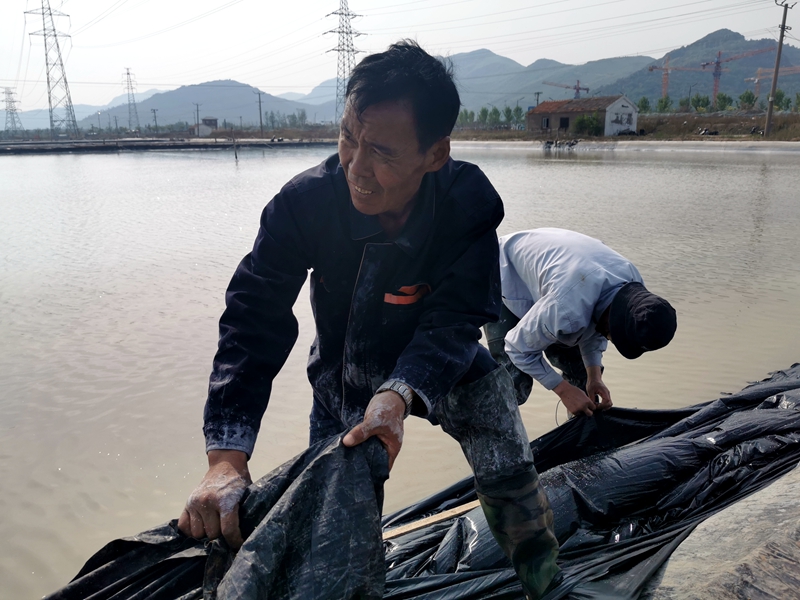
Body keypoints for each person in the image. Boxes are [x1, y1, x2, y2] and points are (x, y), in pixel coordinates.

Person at [177, 41, 560, 598]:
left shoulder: (469, 202)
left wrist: (401, 393)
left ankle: (545, 582)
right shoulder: (304, 203)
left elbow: (458, 317)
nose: (356, 168)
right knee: (333, 517)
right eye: (348, 138)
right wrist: (226, 458)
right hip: (345, 373)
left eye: (381, 151)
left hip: (443, 361)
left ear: (435, 154)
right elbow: (253, 319)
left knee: (504, 445)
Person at [485, 228, 677, 416]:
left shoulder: (632, 287)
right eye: (614, 336)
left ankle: (579, 430)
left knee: (582, 376)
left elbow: (598, 324)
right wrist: (562, 390)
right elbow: (517, 348)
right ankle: (486, 429)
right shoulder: (567, 306)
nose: (609, 339)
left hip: (559, 280)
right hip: (500, 271)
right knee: (513, 385)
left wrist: (595, 377)